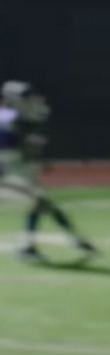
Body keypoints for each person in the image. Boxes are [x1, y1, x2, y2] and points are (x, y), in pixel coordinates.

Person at [0, 81, 97, 263]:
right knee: (40, 204)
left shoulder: (20, 115)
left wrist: (37, 159)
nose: (28, 99)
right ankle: (34, 246)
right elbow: (21, 130)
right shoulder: (9, 115)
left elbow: (30, 138)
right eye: (24, 97)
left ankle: (72, 239)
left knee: (42, 205)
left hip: (19, 170)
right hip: (12, 172)